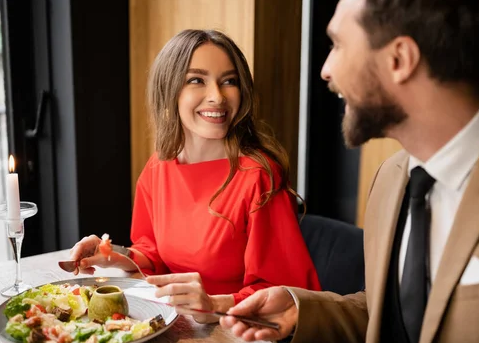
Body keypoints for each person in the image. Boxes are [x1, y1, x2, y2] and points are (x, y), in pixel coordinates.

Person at [221, 0, 479, 343]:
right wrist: (302, 311)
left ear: (399, 59)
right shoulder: (392, 178)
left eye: (338, 45)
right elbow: (398, 314)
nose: (326, 70)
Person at [66, 29, 321, 324]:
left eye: (229, 81)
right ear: (169, 92)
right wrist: (115, 254)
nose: (217, 96)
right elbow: (153, 253)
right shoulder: (156, 168)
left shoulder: (258, 177)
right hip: (180, 328)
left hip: (244, 338)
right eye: (196, 80)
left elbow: (286, 296)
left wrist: (213, 305)